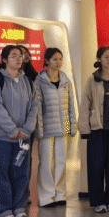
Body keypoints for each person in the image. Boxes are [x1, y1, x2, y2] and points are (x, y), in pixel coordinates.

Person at [0, 45, 38, 217]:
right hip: (2, 137)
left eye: (20, 55)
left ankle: (19, 205)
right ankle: (2, 208)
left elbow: (34, 107)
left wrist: (27, 129)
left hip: (23, 138)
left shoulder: (28, 82)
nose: (18, 58)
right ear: (4, 60)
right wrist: (12, 129)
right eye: (13, 55)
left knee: (21, 171)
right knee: (1, 172)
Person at [78, 47, 109, 213]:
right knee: (96, 166)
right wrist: (85, 129)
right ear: (99, 59)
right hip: (97, 130)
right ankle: (98, 201)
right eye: (106, 57)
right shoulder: (92, 79)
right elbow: (85, 105)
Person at [34, 47, 76, 207]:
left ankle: (60, 194)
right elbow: (37, 107)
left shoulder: (65, 81)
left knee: (61, 162)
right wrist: (39, 129)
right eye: (54, 59)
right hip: (46, 129)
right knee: (45, 163)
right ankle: (46, 196)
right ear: (47, 61)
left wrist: (72, 127)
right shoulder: (39, 81)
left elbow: (71, 105)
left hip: (63, 128)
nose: (58, 62)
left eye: (60, 59)